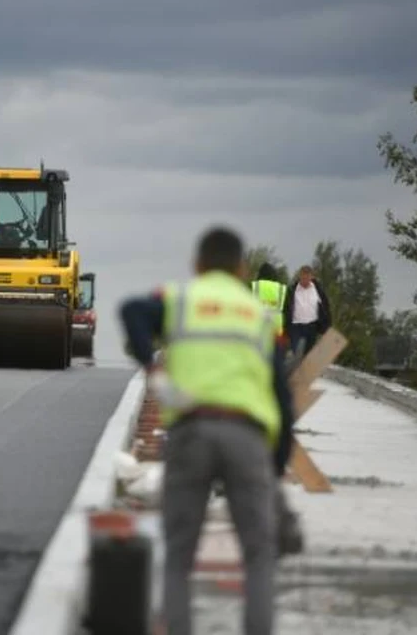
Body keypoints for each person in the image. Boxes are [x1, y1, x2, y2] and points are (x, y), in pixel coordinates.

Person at [120, 226, 296, 635]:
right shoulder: (258, 316)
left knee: (179, 554)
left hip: (190, 433)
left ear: (197, 264)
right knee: (258, 554)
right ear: (241, 268)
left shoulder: (181, 300)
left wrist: (153, 368)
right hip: (247, 437)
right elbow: (281, 396)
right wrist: (278, 460)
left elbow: (131, 311)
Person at [282, 265, 331, 358]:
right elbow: (286, 307)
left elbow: (325, 307)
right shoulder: (293, 290)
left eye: (307, 277)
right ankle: (292, 370)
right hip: (296, 325)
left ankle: (304, 370)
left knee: (308, 354)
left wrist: (326, 325)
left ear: (311, 277)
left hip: (312, 326)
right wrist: (286, 325)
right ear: (299, 276)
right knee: (294, 351)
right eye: (303, 277)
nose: (304, 280)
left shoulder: (318, 291)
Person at [251, 263, 288, 343]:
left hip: (258, 329)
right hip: (276, 331)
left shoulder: (253, 286)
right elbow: (287, 312)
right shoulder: (282, 289)